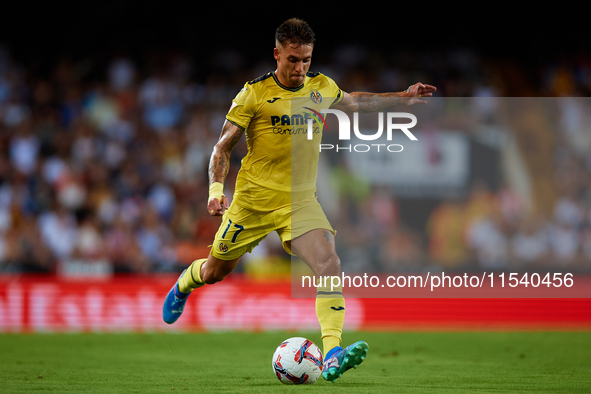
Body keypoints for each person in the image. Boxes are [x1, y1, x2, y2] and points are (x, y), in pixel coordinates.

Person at [162, 17, 436, 382]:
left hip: (301, 202)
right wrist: (216, 192)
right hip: (252, 203)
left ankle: (333, 352)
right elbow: (222, 148)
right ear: (277, 54)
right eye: (293, 59)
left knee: (330, 263)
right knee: (215, 272)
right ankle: (185, 283)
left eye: (306, 59)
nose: (300, 67)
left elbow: (356, 102)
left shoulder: (322, 87)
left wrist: (403, 97)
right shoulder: (253, 94)